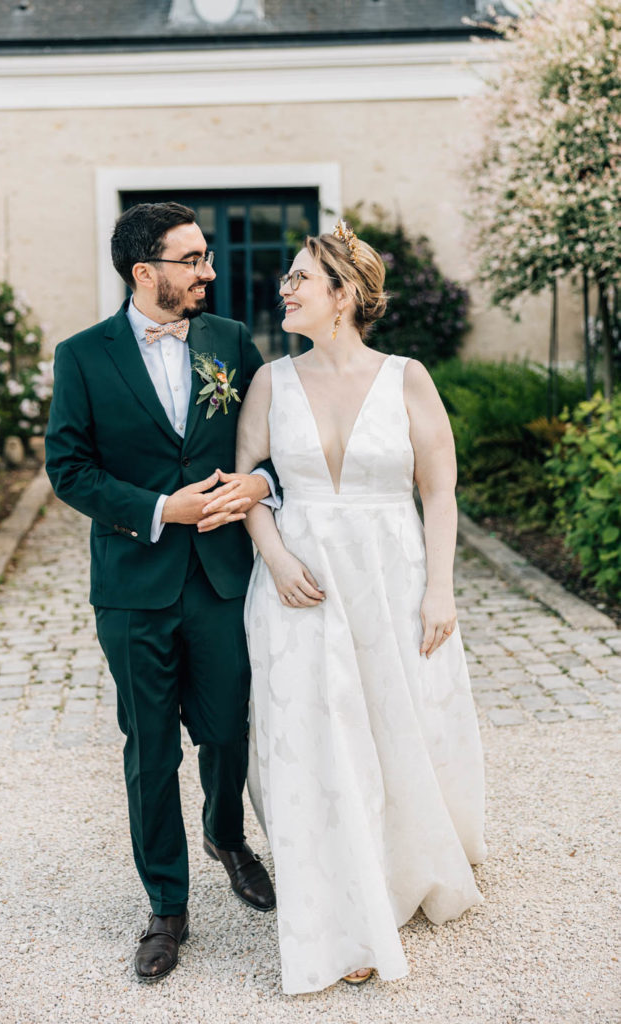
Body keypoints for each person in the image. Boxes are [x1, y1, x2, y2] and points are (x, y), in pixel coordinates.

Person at [237, 221, 486, 995]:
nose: (284, 289)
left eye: (299, 279)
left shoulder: (407, 376)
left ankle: (404, 862)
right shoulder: (270, 381)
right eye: (285, 278)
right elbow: (245, 483)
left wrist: (438, 585)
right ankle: (340, 904)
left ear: (342, 296)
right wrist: (275, 556)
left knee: (393, 716)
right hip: (299, 580)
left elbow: (437, 487)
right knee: (317, 732)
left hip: (390, 571)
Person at [45, 202, 279, 983]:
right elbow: (68, 469)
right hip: (134, 587)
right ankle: (166, 906)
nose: (208, 271)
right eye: (192, 259)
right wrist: (157, 510)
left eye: (207, 255)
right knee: (150, 749)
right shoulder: (81, 356)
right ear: (146, 272)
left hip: (219, 578)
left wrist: (259, 484)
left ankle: (226, 835)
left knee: (226, 728)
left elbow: (271, 447)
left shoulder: (230, 343)